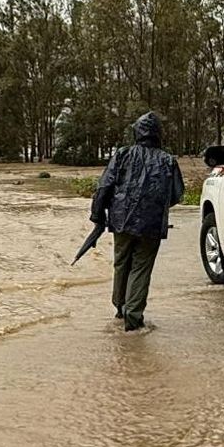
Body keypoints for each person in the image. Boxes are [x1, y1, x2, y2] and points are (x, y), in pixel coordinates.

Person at [90, 112, 185, 331]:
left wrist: (98, 216)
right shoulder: (168, 160)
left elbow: (104, 186)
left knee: (121, 263)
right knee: (141, 268)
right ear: (158, 134)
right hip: (150, 225)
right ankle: (133, 318)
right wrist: (155, 207)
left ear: (137, 133)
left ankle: (120, 308)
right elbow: (177, 194)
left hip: (121, 221)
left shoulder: (122, 154)